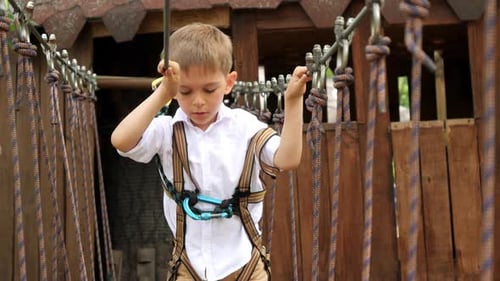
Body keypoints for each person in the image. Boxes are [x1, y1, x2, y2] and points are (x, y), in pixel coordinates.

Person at [111, 22, 311, 281]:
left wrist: (293, 102)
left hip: (244, 265)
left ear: (229, 83)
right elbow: (121, 140)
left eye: (209, 89)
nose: (198, 101)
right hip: (189, 265)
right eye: (185, 91)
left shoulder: (244, 126)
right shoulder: (167, 130)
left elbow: (287, 159)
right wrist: (163, 94)